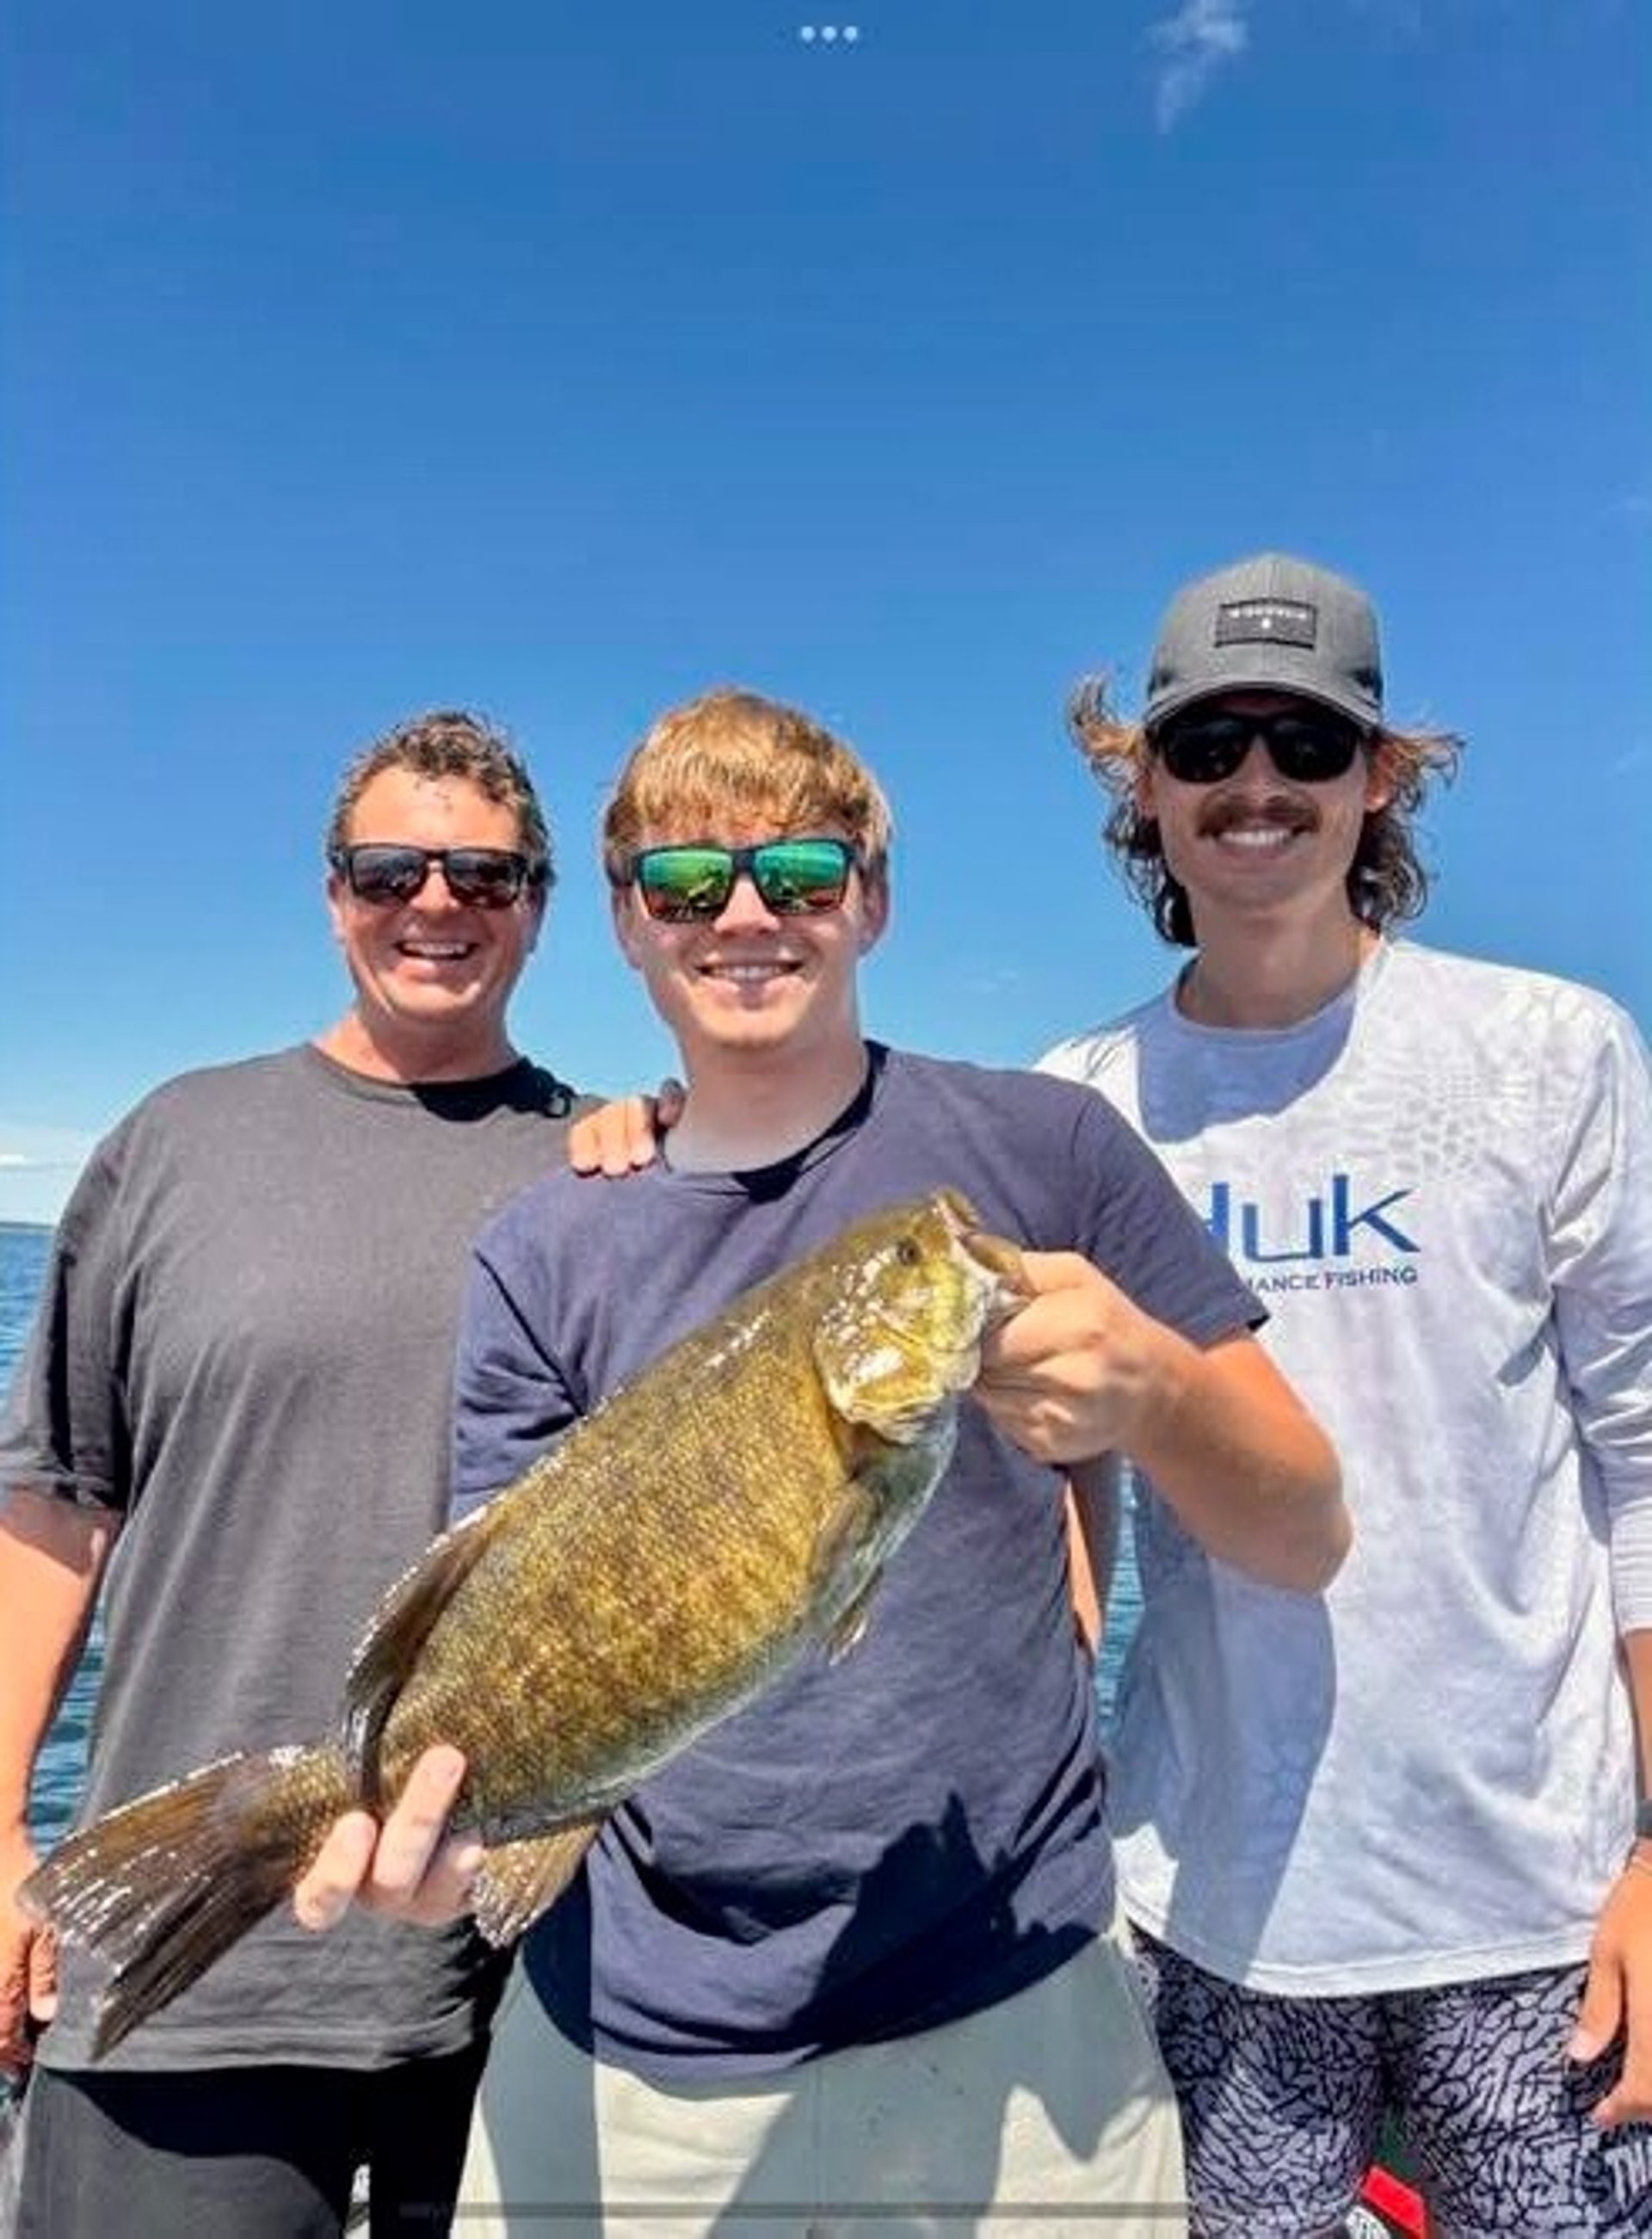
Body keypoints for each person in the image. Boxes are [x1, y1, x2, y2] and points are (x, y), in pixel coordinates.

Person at [295, 684, 1350, 2236]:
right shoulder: (545, 1243)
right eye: (685, 881)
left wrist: (1158, 1396)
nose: (744, 916)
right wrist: (450, 1846)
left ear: (871, 898)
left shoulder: (1045, 1150)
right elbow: (498, 1621)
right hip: (627, 2058)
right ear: (629, 921)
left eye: (796, 873)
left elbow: (1306, 1529)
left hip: (1019, 2008)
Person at [1038, 552, 1652, 2236]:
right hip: (1211, 1909)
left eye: (1304, 742)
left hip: (1542, 1908)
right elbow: (1063, 1512)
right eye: (1208, 740)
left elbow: (1645, 1463)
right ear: (1140, 779)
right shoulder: (1075, 1105)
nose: (1255, 784)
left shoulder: (1552, 1048)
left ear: (1383, 774)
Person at [0, 710, 604, 2236]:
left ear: (537, 904)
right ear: (334, 892)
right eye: (392, 866)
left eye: (485, 873)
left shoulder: (615, 1173)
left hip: (522, 1974)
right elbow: (53, 1506)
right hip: (193, 1954)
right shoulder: (173, 1144)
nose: (437, 903)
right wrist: (2, 1830)